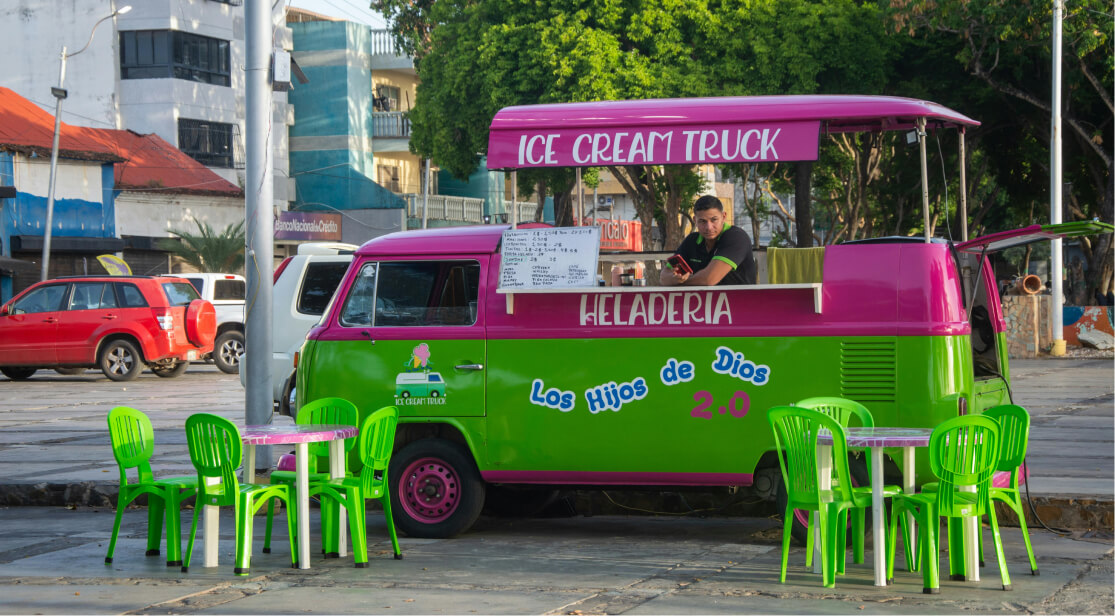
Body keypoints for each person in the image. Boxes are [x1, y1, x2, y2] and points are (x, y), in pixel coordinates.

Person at [661, 195, 756, 286]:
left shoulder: (737, 237)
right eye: (702, 221)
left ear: (724, 217)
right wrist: (674, 279)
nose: (709, 227)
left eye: (714, 220)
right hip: (703, 301)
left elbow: (709, 279)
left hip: (740, 301)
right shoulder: (691, 240)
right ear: (695, 220)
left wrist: (678, 282)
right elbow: (664, 277)